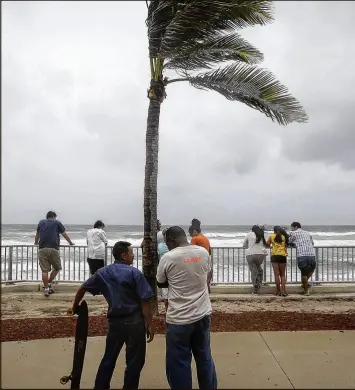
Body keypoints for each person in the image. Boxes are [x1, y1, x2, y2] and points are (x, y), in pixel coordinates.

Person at [71, 241, 154, 390]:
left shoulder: (103, 273)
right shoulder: (134, 273)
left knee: (109, 358)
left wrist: (75, 306)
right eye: (131, 253)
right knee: (135, 361)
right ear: (123, 255)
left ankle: (101, 386)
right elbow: (144, 300)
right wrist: (149, 323)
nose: (133, 256)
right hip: (135, 323)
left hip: (115, 323)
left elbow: (82, 288)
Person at [156, 226, 217, 390]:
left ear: (170, 240)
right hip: (203, 313)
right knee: (204, 357)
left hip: (179, 318)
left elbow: (160, 282)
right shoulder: (203, 252)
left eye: (167, 242)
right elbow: (207, 273)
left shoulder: (168, 257)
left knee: (178, 363)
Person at [35, 211, 74, 297]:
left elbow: (37, 234)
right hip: (53, 248)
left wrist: (35, 242)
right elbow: (64, 234)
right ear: (53, 216)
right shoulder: (57, 222)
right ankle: (48, 283)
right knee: (57, 267)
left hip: (42, 249)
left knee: (44, 271)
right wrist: (70, 242)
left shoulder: (41, 222)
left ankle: (46, 289)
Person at [289, 222, 316, 296]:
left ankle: (306, 290)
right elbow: (312, 243)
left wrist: (294, 244)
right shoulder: (308, 233)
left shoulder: (293, 233)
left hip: (302, 255)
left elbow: (289, 241)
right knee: (311, 269)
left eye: (292, 227)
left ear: (295, 227)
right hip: (312, 255)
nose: (291, 229)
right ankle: (305, 283)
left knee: (303, 273)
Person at [188, 218, 213, 292]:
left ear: (194, 231)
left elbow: (190, 251)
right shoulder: (205, 238)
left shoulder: (194, 238)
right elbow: (209, 251)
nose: (190, 236)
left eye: (190, 233)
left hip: (197, 262)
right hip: (206, 261)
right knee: (205, 280)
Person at [243, 225, 267, 294]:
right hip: (261, 254)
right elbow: (264, 244)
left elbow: (244, 245)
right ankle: (259, 284)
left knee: (253, 270)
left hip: (251, 255)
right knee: (258, 269)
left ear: (252, 230)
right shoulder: (261, 234)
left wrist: (249, 246)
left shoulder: (249, 234)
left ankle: (255, 286)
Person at [267, 226, 289, 296]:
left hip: (274, 256)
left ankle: (278, 291)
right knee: (282, 275)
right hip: (282, 255)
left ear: (274, 230)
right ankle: (284, 291)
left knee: (276, 275)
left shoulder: (271, 236)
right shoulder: (283, 236)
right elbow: (285, 244)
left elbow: (267, 244)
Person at [157, 227, 169, 311]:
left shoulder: (160, 246)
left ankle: (167, 309)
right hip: (172, 269)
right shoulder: (174, 245)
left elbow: (158, 257)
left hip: (163, 269)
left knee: (165, 292)